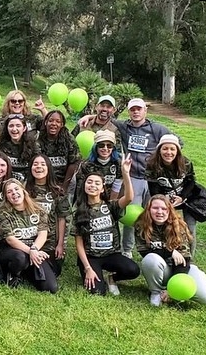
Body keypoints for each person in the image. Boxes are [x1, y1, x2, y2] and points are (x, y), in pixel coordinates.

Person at [79, 98, 177, 258]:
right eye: (133, 110)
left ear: (145, 110)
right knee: (132, 214)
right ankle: (127, 250)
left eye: (139, 109)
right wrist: (89, 116)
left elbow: (176, 142)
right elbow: (105, 117)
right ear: (129, 112)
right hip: (133, 177)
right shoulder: (124, 126)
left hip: (154, 179)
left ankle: (165, 246)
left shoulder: (157, 128)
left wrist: (164, 157)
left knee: (159, 212)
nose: (136, 112)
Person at [73, 154, 140, 296]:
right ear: (84, 186)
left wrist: (126, 174)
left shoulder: (111, 206)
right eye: (89, 182)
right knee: (97, 292)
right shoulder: (79, 211)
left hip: (111, 254)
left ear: (102, 189)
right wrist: (87, 268)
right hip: (91, 257)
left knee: (133, 270)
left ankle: (112, 278)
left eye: (97, 183)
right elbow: (78, 244)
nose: (92, 185)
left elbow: (129, 198)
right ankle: (94, 273)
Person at [135, 195, 206, 306]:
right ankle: (156, 292)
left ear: (169, 210)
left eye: (164, 209)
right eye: (155, 208)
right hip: (161, 268)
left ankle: (191, 280)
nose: (159, 212)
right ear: (148, 209)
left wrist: (172, 289)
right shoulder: (141, 225)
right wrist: (170, 252)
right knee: (150, 259)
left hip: (182, 268)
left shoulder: (179, 225)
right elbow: (144, 251)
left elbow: (185, 259)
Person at [0, 178, 58, 293]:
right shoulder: (3, 212)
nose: (14, 193)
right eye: (9, 192)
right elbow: (10, 239)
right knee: (20, 258)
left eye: (16, 189)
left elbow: (43, 234)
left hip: (34, 249)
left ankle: (26, 273)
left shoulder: (38, 210)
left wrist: (34, 249)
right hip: (12, 251)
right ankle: (13, 274)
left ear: (23, 191)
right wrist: (31, 251)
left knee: (51, 288)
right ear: (6, 197)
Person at [145, 134, 198, 255]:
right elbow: (153, 189)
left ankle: (190, 257)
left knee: (189, 228)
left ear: (177, 151)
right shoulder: (152, 165)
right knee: (165, 225)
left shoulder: (186, 162)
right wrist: (166, 201)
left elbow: (191, 181)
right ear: (159, 150)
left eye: (172, 149)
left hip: (185, 198)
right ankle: (165, 252)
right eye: (165, 148)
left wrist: (182, 197)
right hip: (164, 198)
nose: (168, 152)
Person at [25, 155, 71, 276]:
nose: (39, 167)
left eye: (42, 164)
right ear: (30, 168)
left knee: (55, 271)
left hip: (49, 241)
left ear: (49, 168)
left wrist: (60, 244)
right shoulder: (23, 190)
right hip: (27, 239)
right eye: (35, 164)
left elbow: (62, 219)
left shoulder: (58, 192)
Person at [74, 130, 123, 202]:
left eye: (109, 146)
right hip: (89, 200)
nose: (105, 148)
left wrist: (111, 205)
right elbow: (81, 189)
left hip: (110, 200)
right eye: (101, 145)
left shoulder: (118, 164)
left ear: (113, 148)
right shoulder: (86, 164)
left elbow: (116, 187)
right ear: (96, 147)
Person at [37, 110, 80, 190]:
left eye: (58, 121)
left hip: (64, 180)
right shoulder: (38, 139)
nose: (54, 123)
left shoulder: (69, 139)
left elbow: (74, 163)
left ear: (62, 124)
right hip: (43, 180)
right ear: (45, 122)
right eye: (50, 121)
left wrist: (64, 186)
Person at [0, 114, 41, 182]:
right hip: (6, 183)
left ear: (24, 128)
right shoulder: (0, 145)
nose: (14, 129)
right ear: (7, 128)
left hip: (27, 183)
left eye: (18, 126)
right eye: (11, 126)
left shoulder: (33, 146)